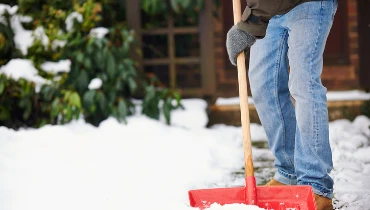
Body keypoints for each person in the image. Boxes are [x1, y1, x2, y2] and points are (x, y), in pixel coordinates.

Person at [226, 0, 338, 210]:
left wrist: (249, 24)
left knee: (303, 84)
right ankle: (289, 173)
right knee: (263, 83)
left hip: (309, 4)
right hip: (268, 11)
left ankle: (315, 185)